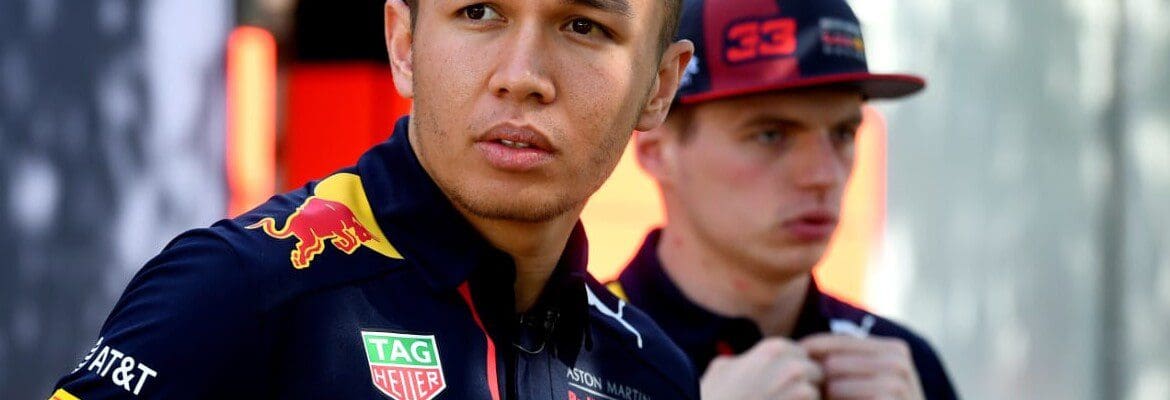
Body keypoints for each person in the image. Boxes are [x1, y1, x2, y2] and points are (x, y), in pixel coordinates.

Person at [48, 0, 698, 398]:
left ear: (660, 87)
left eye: (583, 25)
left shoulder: (652, 373)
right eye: (479, 12)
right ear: (404, 45)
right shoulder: (236, 289)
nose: (522, 76)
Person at [607, 0, 960, 399]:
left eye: (843, 134)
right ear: (656, 152)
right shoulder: (577, 354)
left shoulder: (904, 368)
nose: (823, 175)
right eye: (771, 135)